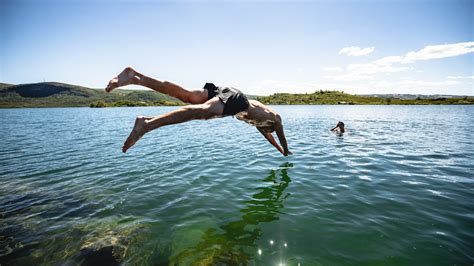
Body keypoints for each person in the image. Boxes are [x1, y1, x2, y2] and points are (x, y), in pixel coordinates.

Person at [105, 67, 292, 156]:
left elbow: (269, 138)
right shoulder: (275, 119)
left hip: (230, 91)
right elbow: (279, 136)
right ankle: (147, 124)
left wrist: (280, 151)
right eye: (270, 131)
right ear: (271, 127)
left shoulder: (261, 125)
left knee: (187, 96)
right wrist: (286, 149)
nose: (268, 132)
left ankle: (136, 77)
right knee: (203, 112)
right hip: (239, 101)